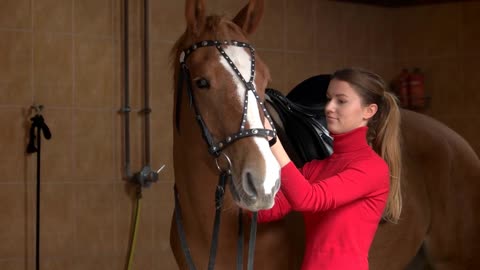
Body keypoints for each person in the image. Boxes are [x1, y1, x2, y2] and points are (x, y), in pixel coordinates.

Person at [259, 67, 402, 270]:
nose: (328, 108)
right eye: (329, 99)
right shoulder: (315, 168)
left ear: (368, 111)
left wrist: (272, 140)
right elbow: (266, 212)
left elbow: (307, 199)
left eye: (341, 101)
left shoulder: (372, 169)